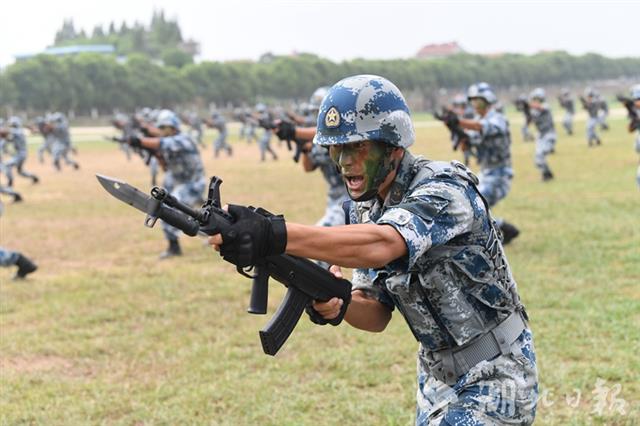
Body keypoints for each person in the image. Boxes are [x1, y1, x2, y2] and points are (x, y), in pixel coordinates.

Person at [209, 75, 538, 425]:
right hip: (435, 379)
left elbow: (384, 243)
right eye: (336, 148)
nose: (344, 161)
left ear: (393, 146)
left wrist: (273, 234)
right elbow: (376, 312)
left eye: (358, 147)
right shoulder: (366, 210)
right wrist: (339, 303)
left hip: (497, 372)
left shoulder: (443, 188)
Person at [126, 109, 206, 258]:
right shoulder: (168, 143)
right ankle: (178, 243)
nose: (161, 130)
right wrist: (154, 153)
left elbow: (162, 142)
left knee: (169, 211)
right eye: (160, 128)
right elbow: (165, 167)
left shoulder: (183, 139)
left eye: (164, 128)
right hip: (176, 180)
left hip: (192, 183)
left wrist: (140, 141)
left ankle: (174, 247)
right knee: (195, 214)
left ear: (173, 127)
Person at [458, 82, 520, 244]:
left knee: (474, 209)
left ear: (487, 101)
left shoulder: (497, 118)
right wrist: (459, 133)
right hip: (485, 174)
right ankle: (503, 228)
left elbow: (482, 127)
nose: (475, 105)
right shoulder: (477, 120)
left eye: (478, 101)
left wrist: (459, 122)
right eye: (472, 102)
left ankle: (502, 230)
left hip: (499, 174)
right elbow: (469, 142)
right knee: (467, 205)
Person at [0, 117, 40, 187]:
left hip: (20, 154)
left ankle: (10, 183)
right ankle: (35, 178)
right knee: (20, 172)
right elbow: (10, 139)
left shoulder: (18, 131)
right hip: (20, 154)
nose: (11, 126)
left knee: (7, 165)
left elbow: (8, 132)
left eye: (12, 125)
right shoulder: (17, 133)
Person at [529, 88, 556, 181]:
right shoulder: (533, 110)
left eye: (536, 98)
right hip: (540, 136)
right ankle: (547, 174)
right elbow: (530, 119)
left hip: (549, 135)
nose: (535, 100)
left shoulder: (545, 105)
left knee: (540, 154)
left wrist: (530, 105)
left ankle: (546, 174)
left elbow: (540, 107)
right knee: (538, 160)